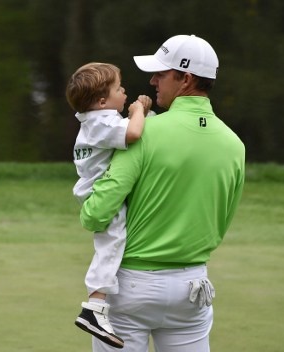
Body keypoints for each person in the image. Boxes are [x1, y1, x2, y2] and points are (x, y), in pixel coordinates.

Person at [79, 34, 246, 351]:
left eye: (162, 73)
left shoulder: (142, 133)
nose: (153, 80)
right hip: (192, 288)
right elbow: (222, 221)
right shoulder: (235, 145)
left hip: (131, 288)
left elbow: (96, 214)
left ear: (186, 78)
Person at [66, 62, 153, 349]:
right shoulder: (102, 122)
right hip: (99, 193)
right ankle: (95, 307)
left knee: (108, 243)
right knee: (111, 243)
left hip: (93, 191)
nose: (124, 91)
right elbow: (134, 134)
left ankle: (96, 305)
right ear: (102, 101)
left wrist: (141, 113)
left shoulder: (94, 121)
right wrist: (138, 110)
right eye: (119, 88)